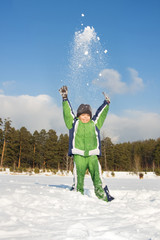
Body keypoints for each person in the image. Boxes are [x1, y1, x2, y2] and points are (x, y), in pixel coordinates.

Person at [59, 86, 114, 202]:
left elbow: (101, 114)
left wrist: (106, 103)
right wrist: (65, 99)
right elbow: (68, 113)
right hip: (78, 155)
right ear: (78, 115)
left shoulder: (94, 124)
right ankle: (78, 197)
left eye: (87, 115)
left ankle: (103, 196)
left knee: (97, 176)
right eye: (83, 115)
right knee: (78, 177)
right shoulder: (73, 124)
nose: (85, 117)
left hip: (92, 156)